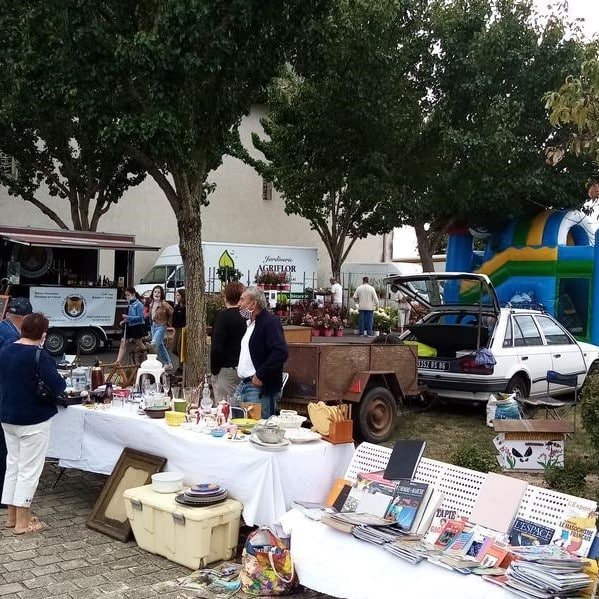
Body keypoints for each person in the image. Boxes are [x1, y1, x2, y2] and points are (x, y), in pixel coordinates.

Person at [0, 312, 66, 534]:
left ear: (22, 329)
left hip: (8, 416)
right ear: (44, 334)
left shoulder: (6, 350)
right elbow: (58, 386)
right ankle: (23, 522)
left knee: (13, 466)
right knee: (29, 470)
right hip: (32, 419)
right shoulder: (39, 355)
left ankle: (11, 516)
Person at [235, 287, 288, 418]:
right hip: (245, 385)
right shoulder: (250, 324)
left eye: (242, 300)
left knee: (257, 430)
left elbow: (280, 352)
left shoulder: (269, 322)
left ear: (253, 303)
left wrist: (260, 375)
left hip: (258, 389)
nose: (238, 304)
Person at [0, 297, 33, 510]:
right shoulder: (12, 337)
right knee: (7, 450)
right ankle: (5, 499)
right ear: (24, 318)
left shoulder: (3, 328)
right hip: (6, 395)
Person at [210, 282, 246, 403]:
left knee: (224, 408)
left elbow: (217, 347)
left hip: (227, 369)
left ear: (225, 297)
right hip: (245, 370)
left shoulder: (223, 317)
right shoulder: (247, 317)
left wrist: (214, 370)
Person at [115, 287, 146, 364]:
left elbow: (140, 318)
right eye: (126, 295)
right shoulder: (130, 304)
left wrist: (128, 317)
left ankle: (148, 353)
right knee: (123, 342)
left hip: (137, 326)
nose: (127, 297)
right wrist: (124, 320)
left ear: (133, 294)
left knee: (139, 342)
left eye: (128, 295)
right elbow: (130, 317)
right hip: (129, 325)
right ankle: (118, 361)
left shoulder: (139, 304)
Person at [149, 285, 174, 370]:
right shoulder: (152, 303)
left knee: (154, 344)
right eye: (155, 292)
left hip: (161, 326)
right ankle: (168, 363)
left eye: (159, 292)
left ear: (161, 294)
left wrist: (168, 323)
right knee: (160, 346)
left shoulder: (163, 303)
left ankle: (151, 364)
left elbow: (171, 312)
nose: (156, 294)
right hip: (153, 326)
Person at [171, 288, 186, 371]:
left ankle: (181, 366)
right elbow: (174, 320)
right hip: (177, 329)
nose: (176, 297)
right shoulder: (177, 307)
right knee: (174, 349)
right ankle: (183, 361)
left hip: (183, 329)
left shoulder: (186, 308)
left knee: (180, 347)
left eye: (178, 295)